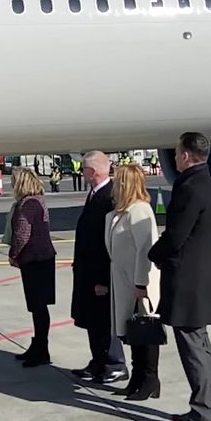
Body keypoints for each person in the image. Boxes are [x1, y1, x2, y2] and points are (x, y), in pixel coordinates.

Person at [148, 132, 211, 421]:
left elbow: (176, 236)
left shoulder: (190, 188)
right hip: (200, 279)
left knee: (193, 349)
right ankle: (205, 407)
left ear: (185, 156)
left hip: (187, 281)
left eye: (178, 153)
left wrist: (155, 254)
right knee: (200, 347)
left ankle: (203, 414)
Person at [71, 151, 128, 384]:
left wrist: (104, 279)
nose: (81, 173)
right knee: (92, 320)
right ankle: (99, 361)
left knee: (105, 321)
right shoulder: (95, 194)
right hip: (87, 270)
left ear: (92, 172)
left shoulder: (110, 197)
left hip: (100, 274)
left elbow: (110, 242)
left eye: (83, 169)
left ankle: (115, 363)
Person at [106, 164, 162, 400]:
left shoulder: (139, 210)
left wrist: (141, 283)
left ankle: (149, 378)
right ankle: (137, 378)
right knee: (132, 332)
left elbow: (145, 249)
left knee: (145, 330)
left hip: (138, 282)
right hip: (124, 280)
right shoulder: (121, 211)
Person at [8, 167, 57, 368]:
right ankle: (38, 346)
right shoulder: (39, 200)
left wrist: (13, 254)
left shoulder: (27, 205)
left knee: (37, 307)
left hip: (34, 259)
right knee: (40, 307)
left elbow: (22, 234)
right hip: (44, 258)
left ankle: (41, 350)